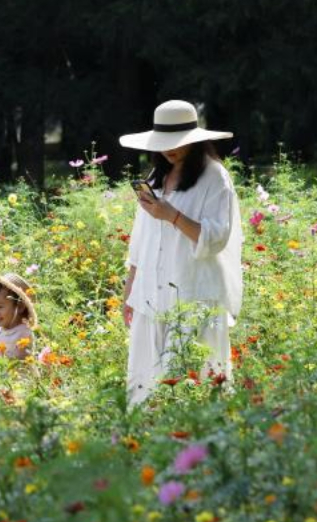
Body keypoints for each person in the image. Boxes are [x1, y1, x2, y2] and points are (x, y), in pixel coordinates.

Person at [119, 100, 245, 407]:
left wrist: (172, 215)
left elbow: (216, 238)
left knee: (192, 384)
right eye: (163, 144)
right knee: (145, 386)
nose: (169, 150)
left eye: (176, 144)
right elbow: (141, 240)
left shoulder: (214, 177)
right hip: (150, 295)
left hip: (193, 295)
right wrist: (129, 290)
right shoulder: (155, 178)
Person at [0, 272, 36, 360]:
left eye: (0, 307)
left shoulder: (23, 334)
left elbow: (19, 363)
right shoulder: (0, 330)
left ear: (20, 307)